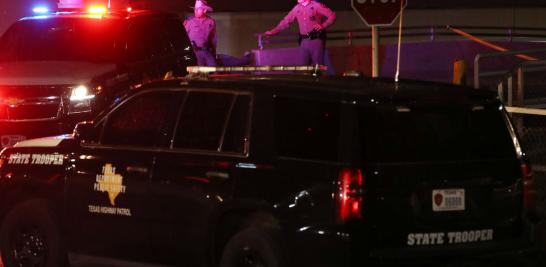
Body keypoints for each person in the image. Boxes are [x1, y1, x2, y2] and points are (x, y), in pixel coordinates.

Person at [265, 0, 336, 65]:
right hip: (304, 41)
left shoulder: (316, 6)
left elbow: (332, 15)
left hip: (316, 40)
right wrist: (273, 32)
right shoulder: (297, 8)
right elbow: (286, 21)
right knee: (303, 65)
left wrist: (323, 25)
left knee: (317, 66)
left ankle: (317, 78)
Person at [184, 0, 217, 66]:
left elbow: (213, 38)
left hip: (206, 51)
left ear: (204, 10)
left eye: (198, 9)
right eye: (195, 9)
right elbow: (182, 37)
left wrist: (214, 52)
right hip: (194, 52)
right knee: (198, 72)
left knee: (214, 70)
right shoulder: (189, 22)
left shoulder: (211, 22)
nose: (195, 11)